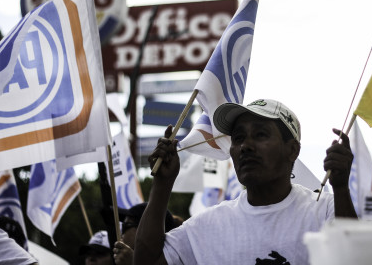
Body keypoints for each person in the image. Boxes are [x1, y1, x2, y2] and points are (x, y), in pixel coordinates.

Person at [134, 98, 356, 265]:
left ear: (292, 150)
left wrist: (341, 188)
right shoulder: (208, 226)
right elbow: (146, 261)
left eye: (260, 135)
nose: (245, 146)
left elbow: (354, 258)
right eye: (238, 138)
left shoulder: (324, 211)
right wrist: (162, 184)